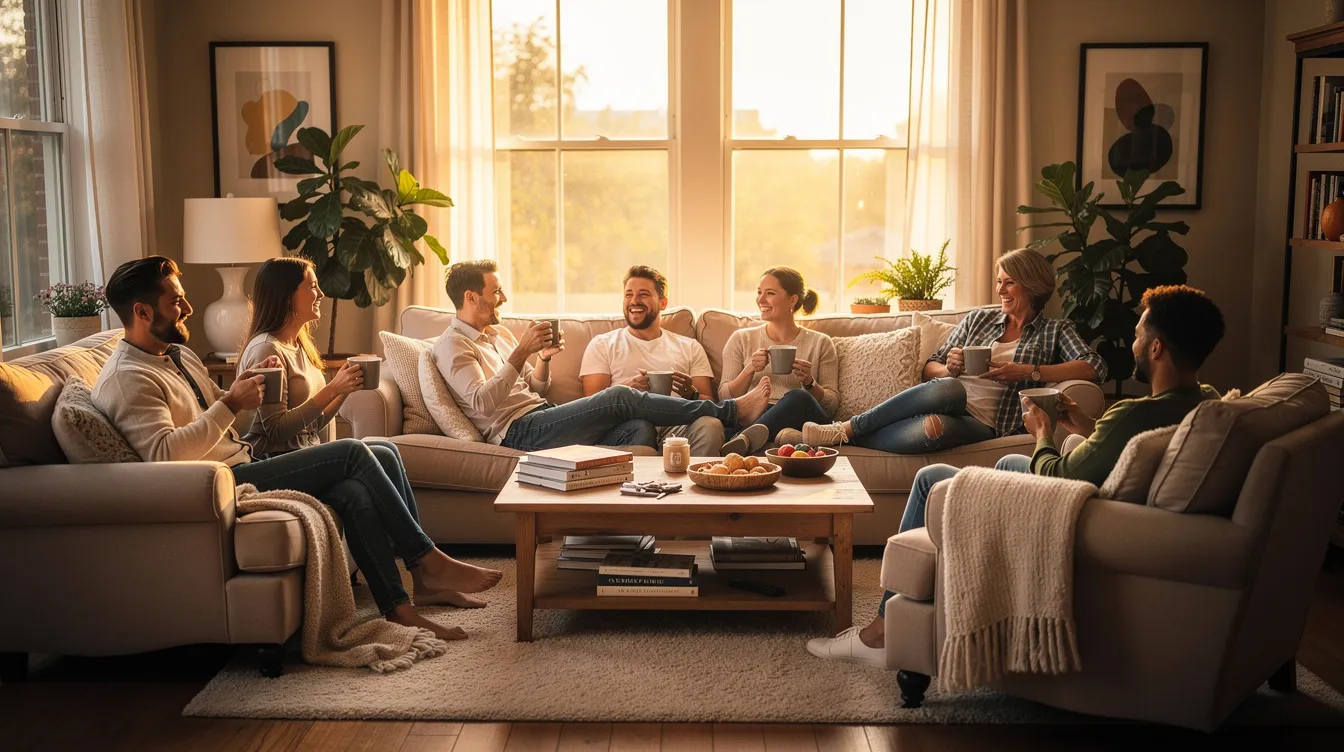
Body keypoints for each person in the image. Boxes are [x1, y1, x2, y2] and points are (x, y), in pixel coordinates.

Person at [806, 284, 1226, 666]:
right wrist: (1081, 424)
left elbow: (1058, 471)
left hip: (1071, 511)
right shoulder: (1206, 401)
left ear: (1155, 349)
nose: (1133, 342)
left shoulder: (1133, 412)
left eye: (1138, 335)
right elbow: (1114, 446)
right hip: (1099, 501)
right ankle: (847, 431)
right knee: (1008, 464)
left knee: (930, 477)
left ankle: (880, 633)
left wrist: (1044, 432)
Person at [92, 257, 500, 643]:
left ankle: (400, 604)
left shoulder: (176, 356)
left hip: (243, 461)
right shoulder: (129, 379)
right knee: (355, 453)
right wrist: (234, 402)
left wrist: (243, 395)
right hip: (222, 482)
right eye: (175, 300)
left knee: (365, 476)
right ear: (143, 312)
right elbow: (164, 456)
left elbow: (222, 408)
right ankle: (425, 559)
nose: (188, 306)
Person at [234, 258, 485, 611]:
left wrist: (343, 392)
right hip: (272, 462)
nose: (320, 293)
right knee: (355, 450)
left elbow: (309, 426)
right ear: (286, 295)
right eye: (311, 286)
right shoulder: (266, 349)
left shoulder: (297, 345)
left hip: (297, 456)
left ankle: (420, 584)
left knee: (384, 450)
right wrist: (331, 388)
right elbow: (274, 432)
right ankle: (425, 559)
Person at [434, 260, 772, 451]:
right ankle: (733, 412)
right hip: (517, 432)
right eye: (496, 291)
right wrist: (521, 352)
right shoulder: (453, 345)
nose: (504, 297)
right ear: (471, 296)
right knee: (620, 396)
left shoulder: (498, 334)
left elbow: (533, 390)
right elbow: (480, 403)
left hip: (542, 415)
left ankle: (640, 515)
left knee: (637, 429)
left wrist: (543, 359)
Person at [795, 249, 1106, 454]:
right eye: (999, 282)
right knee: (949, 385)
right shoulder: (979, 318)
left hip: (987, 422)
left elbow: (1095, 365)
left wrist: (1031, 372)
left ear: (1032, 286)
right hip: (948, 394)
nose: (999, 291)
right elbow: (931, 366)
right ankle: (847, 428)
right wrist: (949, 367)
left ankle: (843, 435)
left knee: (932, 430)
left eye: (1009, 283)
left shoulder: (1055, 330)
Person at [579, 265, 726, 456]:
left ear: (663, 303)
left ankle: (696, 482)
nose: (634, 301)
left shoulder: (689, 346)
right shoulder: (603, 344)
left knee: (711, 425)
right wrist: (627, 390)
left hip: (677, 427)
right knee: (642, 428)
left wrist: (691, 393)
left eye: (643, 294)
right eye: (628, 294)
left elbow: (708, 401)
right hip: (628, 426)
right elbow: (590, 406)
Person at [717, 267, 839, 456]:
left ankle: (743, 440)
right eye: (759, 292)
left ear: (792, 299)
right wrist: (749, 369)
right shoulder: (741, 339)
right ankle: (774, 436)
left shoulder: (821, 342)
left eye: (770, 293)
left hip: (801, 415)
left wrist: (809, 382)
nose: (761, 299)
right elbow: (725, 398)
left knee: (798, 396)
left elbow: (831, 407)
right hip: (754, 414)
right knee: (725, 421)